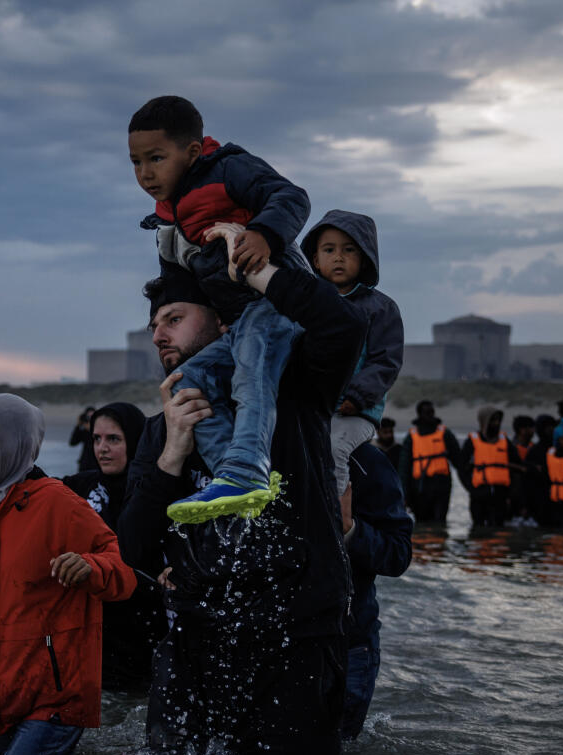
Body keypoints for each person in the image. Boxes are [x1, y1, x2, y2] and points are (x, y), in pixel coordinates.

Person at [119, 237, 368, 755]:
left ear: (221, 319)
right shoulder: (164, 427)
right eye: (155, 324)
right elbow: (129, 546)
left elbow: (344, 327)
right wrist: (172, 457)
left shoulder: (297, 388)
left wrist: (261, 275)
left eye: (175, 319)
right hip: (198, 646)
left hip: (297, 634)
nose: (159, 335)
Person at [0, 394, 137, 755]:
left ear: (17, 443)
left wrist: (89, 567)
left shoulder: (58, 503)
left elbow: (124, 569)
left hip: (57, 693)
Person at [128, 95, 312, 523]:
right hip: (243, 320)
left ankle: (247, 471)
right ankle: (231, 479)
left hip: (279, 302)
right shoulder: (168, 221)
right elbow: (182, 287)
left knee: (251, 370)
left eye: (156, 158)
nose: (145, 173)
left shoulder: (228, 170)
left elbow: (291, 196)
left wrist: (263, 235)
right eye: (136, 162)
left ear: (192, 152)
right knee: (185, 381)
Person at [299, 210, 404, 498]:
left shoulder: (381, 308)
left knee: (334, 447)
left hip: (356, 411)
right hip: (312, 408)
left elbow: (385, 361)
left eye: (349, 250)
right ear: (316, 260)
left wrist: (357, 397)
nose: (339, 257)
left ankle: (334, 517)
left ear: (365, 257)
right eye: (329, 250)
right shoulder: (307, 305)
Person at [64, 402, 165, 690]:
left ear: (135, 440)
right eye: (96, 439)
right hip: (97, 625)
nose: (101, 448)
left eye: (113, 439)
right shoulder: (79, 487)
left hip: (146, 623)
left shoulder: (157, 488)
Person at [342, 442, 413, 741]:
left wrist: (350, 530)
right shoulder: (254, 446)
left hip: (349, 648)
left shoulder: (365, 460)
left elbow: (398, 553)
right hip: (272, 646)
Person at [399, 400, 460, 522]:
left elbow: (458, 460)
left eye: (432, 412)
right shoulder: (411, 438)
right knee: (422, 522)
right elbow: (404, 468)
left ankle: (438, 538)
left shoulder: (445, 434)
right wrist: (405, 494)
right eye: (427, 412)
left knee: (439, 521)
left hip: (441, 486)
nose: (430, 415)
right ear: (420, 414)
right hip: (419, 487)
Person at [457, 406, 517, 527]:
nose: (497, 423)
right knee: (478, 530)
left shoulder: (504, 440)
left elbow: (516, 466)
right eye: (493, 420)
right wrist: (471, 488)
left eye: (499, 420)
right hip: (479, 494)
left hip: (500, 495)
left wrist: (511, 494)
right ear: (485, 421)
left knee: (498, 529)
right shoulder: (472, 440)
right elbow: (461, 467)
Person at [69, 406, 99, 473]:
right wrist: (78, 425)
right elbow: (72, 443)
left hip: (97, 465)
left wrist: (92, 430)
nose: (90, 420)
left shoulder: (100, 431)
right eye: (89, 417)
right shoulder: (84, 431)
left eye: (92, 417)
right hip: (84, 464)